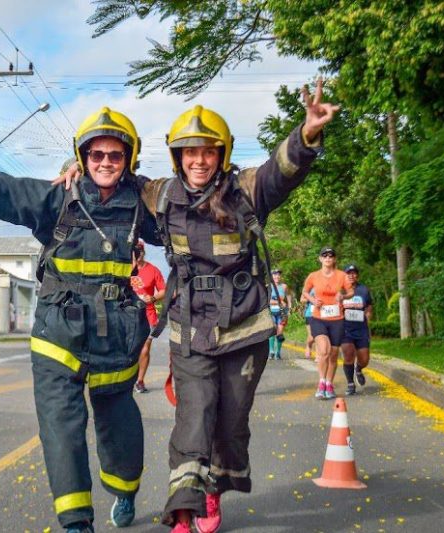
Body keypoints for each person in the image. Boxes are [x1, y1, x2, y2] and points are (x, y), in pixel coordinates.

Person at [0, 107, 160, 533]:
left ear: (128, 159)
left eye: (115, 155)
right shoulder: (56, 197)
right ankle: (77, 522)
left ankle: (124, 491)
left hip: (117, 333)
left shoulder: (141, 208)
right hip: (57, 333)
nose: (105, 163)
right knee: (61, 426)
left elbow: (190, 218)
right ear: (83, 156)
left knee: (119, 423)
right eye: (96, 155)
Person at [140, 82, 336, 533]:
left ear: (222, 153)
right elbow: (111, 176)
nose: (198, 160)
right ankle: (183, 508)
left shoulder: (246, 189)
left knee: (230, 422)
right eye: (189, 152)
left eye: (208, 151)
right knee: (195, 414)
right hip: (189, 327)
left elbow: (280, 171)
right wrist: (77, 165)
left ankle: (212, 490)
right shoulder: (161, 195)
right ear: (177, 157)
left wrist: (305, 135)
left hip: (244, 328)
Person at [301, 247, 354, 400]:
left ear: (334, 259)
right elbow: (305, 292)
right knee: (324, 350)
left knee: (333, 354)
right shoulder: (313, 276)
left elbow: (351, 292)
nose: (328, 258)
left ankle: (329, 384)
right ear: (320, 259)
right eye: (325, 256)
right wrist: (313, 300)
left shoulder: (341, 275)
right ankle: (321, 382)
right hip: (318, 318)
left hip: (337, 319)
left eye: (331, 256)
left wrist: (343, 296)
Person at [129, 239, 166, 393]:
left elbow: (164, 290)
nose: (138, 254)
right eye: (134, 251)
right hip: (127, 316)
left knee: (144, 350)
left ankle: (140, 381)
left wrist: (153, 298)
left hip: (148, 315)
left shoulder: (153, 270)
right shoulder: (126, 268)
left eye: (140, 251)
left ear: (143, 252)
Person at [340, 264, 373, 395]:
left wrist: (368, 315)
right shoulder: (340, 290)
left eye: (354, 273)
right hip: (345, 328)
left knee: (364, 359)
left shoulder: (363, 290)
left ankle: (358, 369)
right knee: (348, 354)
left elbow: (369, 305)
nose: (351, 276)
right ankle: (350, 383)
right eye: (349, 273)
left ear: (357, 275)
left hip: (361, 328)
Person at [268, 268, 293, 360]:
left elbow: (289, 295)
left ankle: (278, 352)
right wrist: (276, 302)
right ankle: (271, 351)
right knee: (272, 332)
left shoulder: (284, 286)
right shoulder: (268, 286)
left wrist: (289, 307)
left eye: (278, 275)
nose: (277, 276)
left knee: (280, 332)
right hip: (271, 312)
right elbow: (266, 300)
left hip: (282, 312)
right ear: (271, 276)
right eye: (274, 275)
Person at [301, 288, 316, 359]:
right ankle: (308, 346)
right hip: (310, 314)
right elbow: (302, 300)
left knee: (319, 335)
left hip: (321, 314)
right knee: (311, 336)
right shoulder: (309, 287)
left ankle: (318, 355)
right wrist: (311, 299)